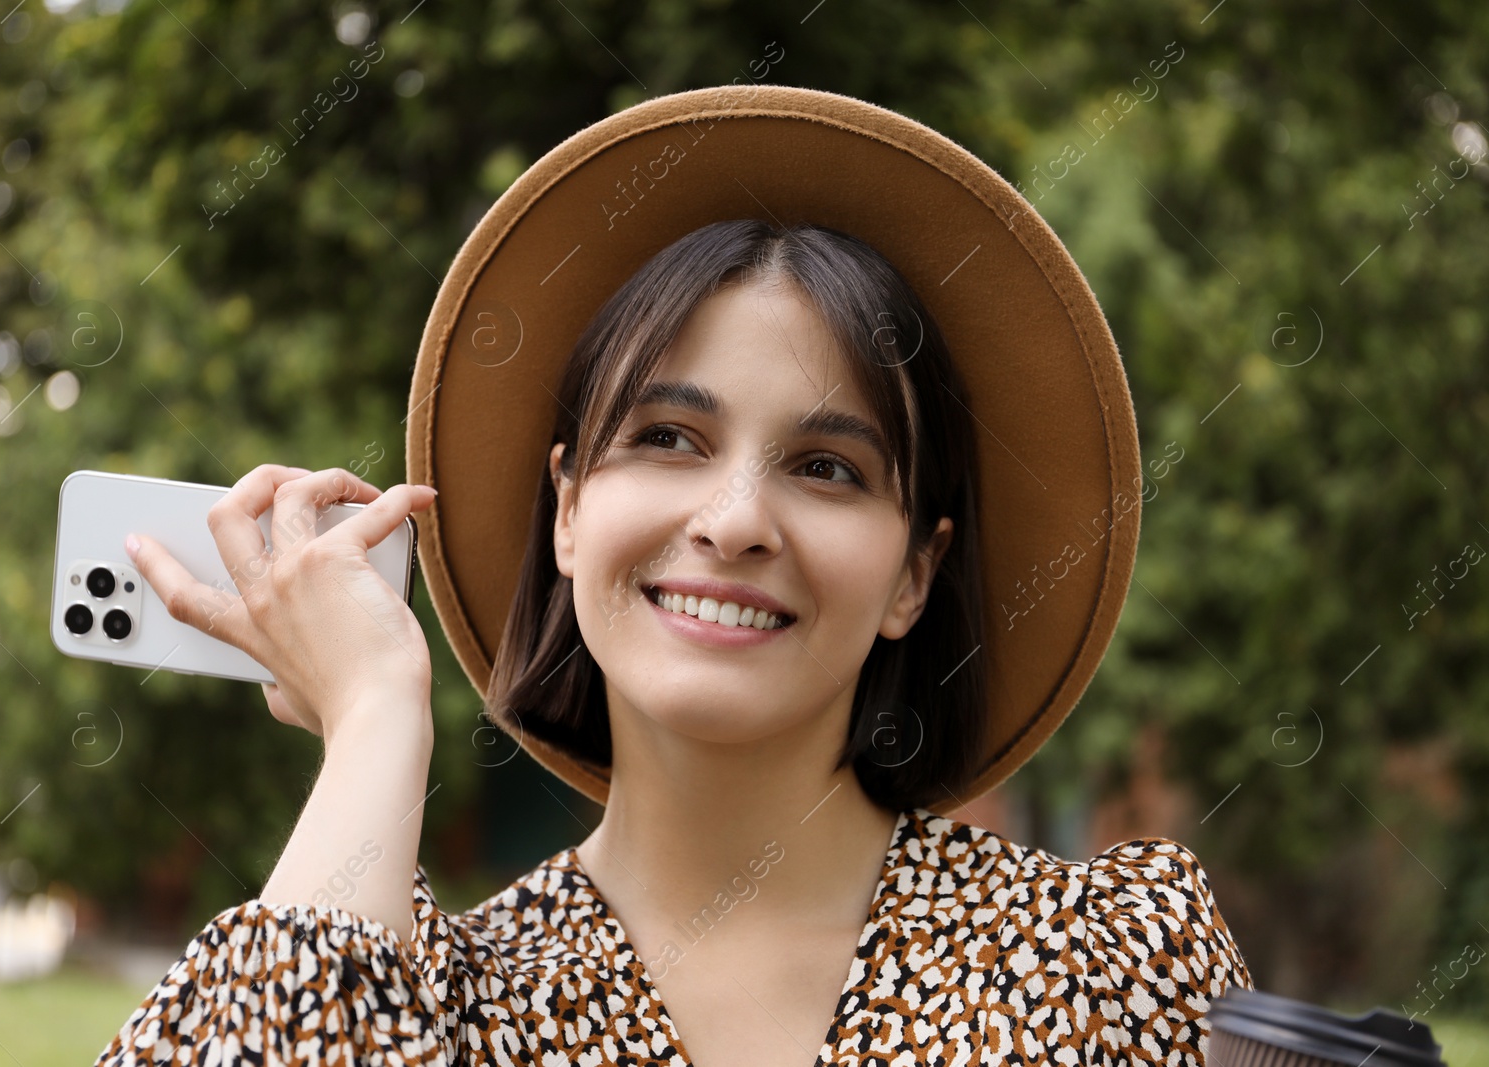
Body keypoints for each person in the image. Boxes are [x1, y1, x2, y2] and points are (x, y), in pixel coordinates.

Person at [94, 86, 1253, 1067]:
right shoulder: (430, 1005)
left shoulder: (1105, 960)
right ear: (566, 509)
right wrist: (372, 722)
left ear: (915, 572)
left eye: (827, 465)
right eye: (666, 438)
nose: (737, 519)